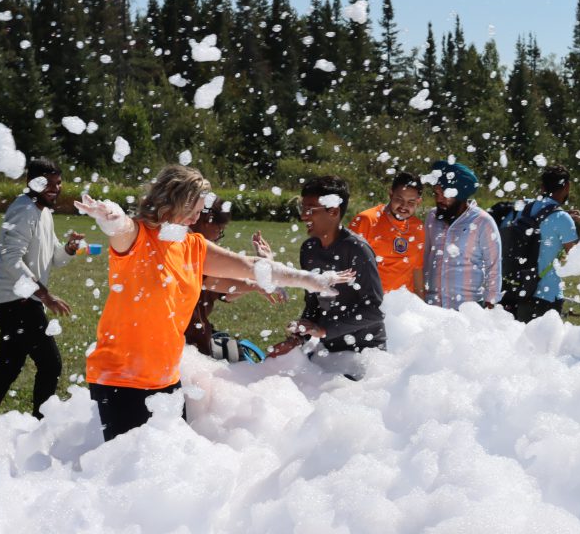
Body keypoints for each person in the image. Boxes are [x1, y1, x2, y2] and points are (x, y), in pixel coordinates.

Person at [74, 165, 355, 441]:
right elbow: (121, 230)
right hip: (122, 379)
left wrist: (312, 280)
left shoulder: (191, 246)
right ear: (176, 202)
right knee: (126, 476)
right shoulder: (138, 237)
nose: (198, 216)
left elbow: (251, 266)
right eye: (195, 209)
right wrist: (111, 219)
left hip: (166, 379)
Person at [0, 158, 84, 419]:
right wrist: (44, 294)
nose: (55, 189)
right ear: (31, 182)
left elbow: (55, 256)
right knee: (50, 363)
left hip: (21, 298)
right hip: (16, 299)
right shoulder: (23, 210)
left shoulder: (42, 212)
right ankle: (41, 424)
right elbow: (11, 259)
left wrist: (68, 248)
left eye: (57, 183)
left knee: (8, 367)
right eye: (47, 184)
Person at [268, 176, 386, 360]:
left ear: (333, 211)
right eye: (302, 208)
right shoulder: (309, 249)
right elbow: (313, 304)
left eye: (309, 209)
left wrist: (323, 330)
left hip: (364, 352)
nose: (303, 215)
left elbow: (373, 311)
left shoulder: (357, 250)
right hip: (328, 349)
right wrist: (297, 339)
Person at [184, 202, 283, 360]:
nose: (218, 237)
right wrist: (260, 274)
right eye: (220, 230)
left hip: (196, 347)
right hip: (183, 349)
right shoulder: (186, 249)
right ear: (206, 220)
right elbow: (211, 281)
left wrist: (255, 283)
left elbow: (226, 293)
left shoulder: (197, 250)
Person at [499, 164, 580, 322]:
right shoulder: (562, 218)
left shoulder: (523, 206)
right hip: (546, 295)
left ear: (542, 186)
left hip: (517, 288)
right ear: (567, 186)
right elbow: (577, 262)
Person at [423, 160, 502, 310]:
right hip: (432, 309)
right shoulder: (432, 217)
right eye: (436, 193)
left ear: (460, 194)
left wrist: (490, 305)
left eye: (445, 195)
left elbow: (494, 267)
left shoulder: (482, 221)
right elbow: (425, 256)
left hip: (467, 311)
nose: (439, 199)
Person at [348, 171, 425, 296]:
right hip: (372, 303)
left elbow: (417, 270)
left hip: (405, 307)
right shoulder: (367, 220)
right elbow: (347, 266)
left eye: (411, 202)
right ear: (390, 194)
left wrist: (422, 306)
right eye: (399, 199)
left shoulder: (418, 228)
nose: (404, 206)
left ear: (419, 201)